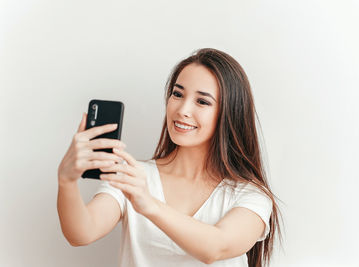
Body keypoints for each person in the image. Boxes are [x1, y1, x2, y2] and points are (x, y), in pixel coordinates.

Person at [57, 48, 283, 267]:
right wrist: (66, 182)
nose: (182, 109)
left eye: (202, 101)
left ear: (230, 113)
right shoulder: (133, 176)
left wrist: (149, 205)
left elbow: (216, 248)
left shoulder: (250, 194)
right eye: (177, 94)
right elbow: (81, 233)